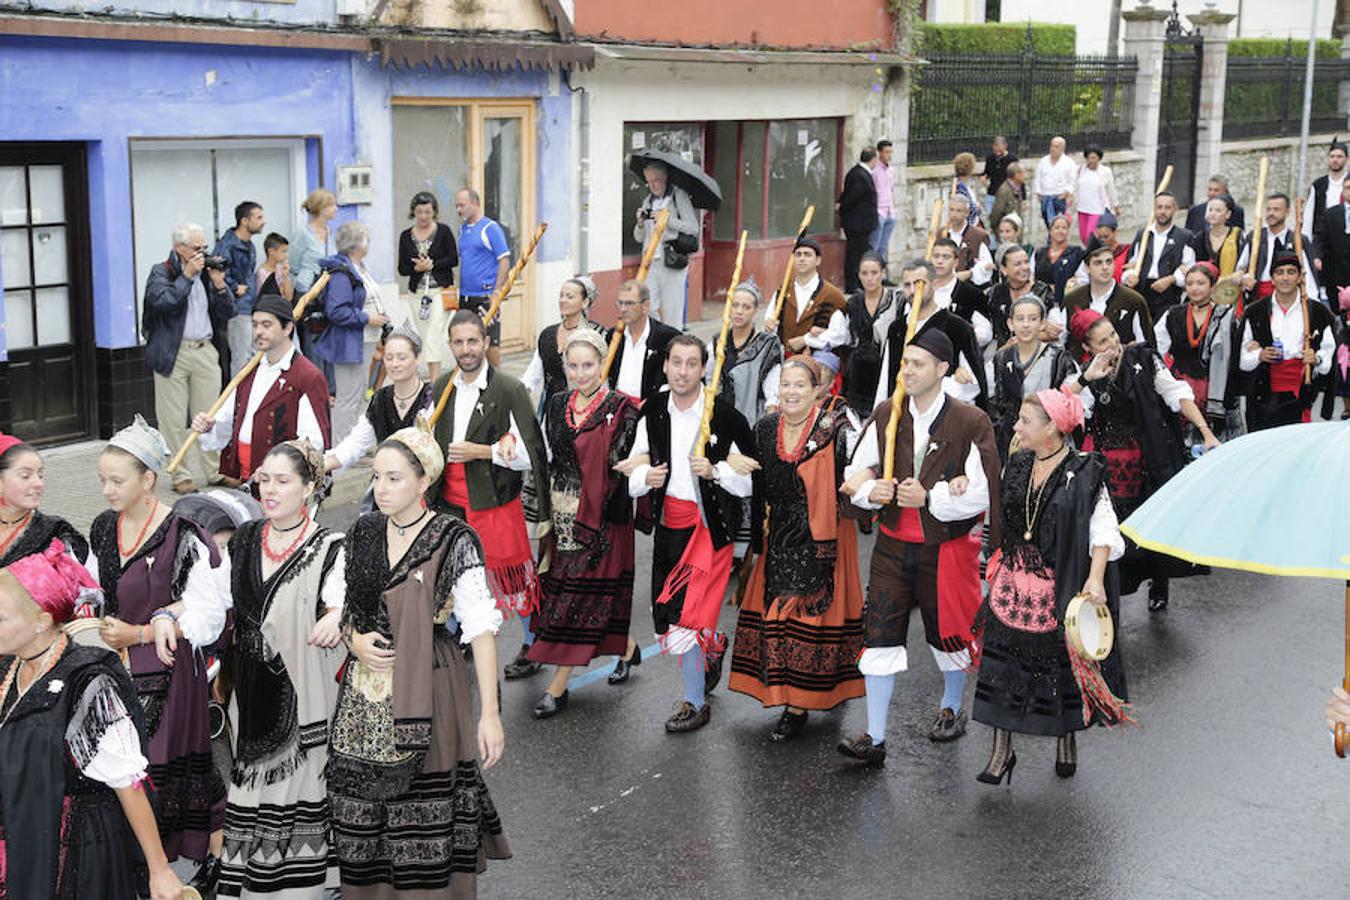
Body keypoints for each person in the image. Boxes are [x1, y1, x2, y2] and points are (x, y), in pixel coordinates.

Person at [328, 428, 509, 897]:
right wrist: (354, 641)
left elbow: (482, 630)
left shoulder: (453, 538)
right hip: (364, 698)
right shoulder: (365, 531)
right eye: (376, 477)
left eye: (393, 478)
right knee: (365, 822)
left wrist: (489, 715)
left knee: (423, 817)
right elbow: (340, 606)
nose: (381, 489)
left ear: (423, 480)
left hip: (429, 685)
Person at [837, 330, 1001, 763]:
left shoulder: (970, 421)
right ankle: (874, 737)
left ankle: (950, 707)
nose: (907, 370)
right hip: (891, 546)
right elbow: (856, 470)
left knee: (946, 634)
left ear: (943, 370)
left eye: (918, 363)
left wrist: (931, 498)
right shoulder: (888, 412)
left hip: (944, 549)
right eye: (905, 362)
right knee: (879, 636)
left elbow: (985, 492)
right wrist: (870, 490)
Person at [88, 415, 232, 894]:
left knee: (158, 772)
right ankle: (151, 870)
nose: (107, 489)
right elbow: (96, 587)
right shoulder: (104, 529)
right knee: (127, 773)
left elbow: (209, 613)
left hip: (171, 676)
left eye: (117, 480)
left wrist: (143, 631)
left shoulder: (183, 535)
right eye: (103, 480)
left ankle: (203, 859)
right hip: (120, 672)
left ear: (148, 479)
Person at [0, 538, 186, 900]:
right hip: (23, 832)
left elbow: (129, 783)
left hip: (76, 850)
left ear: (41, 621)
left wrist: (159, 869)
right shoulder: (10, 665)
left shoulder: (88, 683)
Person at [971, 389, 1128, 785]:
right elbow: (1004, 515)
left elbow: (1104, 529)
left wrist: (1094, 580)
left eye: (1026, 421)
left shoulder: (1086, 471)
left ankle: (1065, 738)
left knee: (1054, 669)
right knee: (1001, 665)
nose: (1017, 427)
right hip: (1013, 582)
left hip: (1056, 584)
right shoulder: (1019, 462)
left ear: (1053, 429)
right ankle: (1000, 752)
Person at [216, 439, 346, 897]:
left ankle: (309, 883)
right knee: (251, 782)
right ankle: (257, 876)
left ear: (309, 488)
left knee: (303, 785)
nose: (268, 490)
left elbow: (339, 598)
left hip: (303, 692)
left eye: (282, 481)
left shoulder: (330, 546)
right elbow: (216, 602)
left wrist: (334, 616)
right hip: (251, 691)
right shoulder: (247, 537)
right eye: (263, 480)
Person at [620, 335, 758, 732]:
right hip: (670, 525)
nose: (682, 371)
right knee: (671, 617)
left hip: (710, 528)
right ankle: (712, 646)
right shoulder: (654, 411)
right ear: (665, 366)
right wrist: (646, 474)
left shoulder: (725, 417)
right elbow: (636, 462)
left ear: (703, 369)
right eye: (676, 362)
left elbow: (751, 479)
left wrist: (716, 471)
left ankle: (695, 701)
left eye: (691, 363)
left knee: (689, 619)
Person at [727, 358, 864, 741]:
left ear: (817, 389)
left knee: (815, 618)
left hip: (827, 535)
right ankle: (792, 700)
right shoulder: (766, 427)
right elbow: (749, 479)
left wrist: (861, 485)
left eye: (799, 385)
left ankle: (800, 704)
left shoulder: (837, 427)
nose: (790, 392)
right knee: (779, 617)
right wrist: (729, 463)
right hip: (783, 535)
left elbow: (860, 469)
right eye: (785, 384)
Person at [1066, 309, 1218, 612]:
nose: (1112, 343)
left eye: (1112, 334)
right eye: (1102, 341)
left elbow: (1176, 394)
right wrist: (1084, 379)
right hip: (1109, 465)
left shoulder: (1144, 357)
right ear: (1088, 348)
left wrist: (1205, 431)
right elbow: (1066, 410)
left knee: (1157, 523)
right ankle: (1111, 589)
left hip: (1152, 456)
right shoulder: (1085, 375)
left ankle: (1160, 581)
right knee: (1111, 528)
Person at [427, 310, 550, 675]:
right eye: (459, 342)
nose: (466, 349)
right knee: (449, 578)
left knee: (513, 579)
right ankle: (456, 640)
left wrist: (484, 451)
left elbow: (531, 455)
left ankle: (533, 644)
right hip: (449, 504)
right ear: (450, 345)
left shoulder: (509, 388)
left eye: (472, 341)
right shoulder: (442, 386)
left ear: (485, 343)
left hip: (495, 503)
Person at [527, 329, 642, 717]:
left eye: (588, 365)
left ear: (601, 364)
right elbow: (546, 456)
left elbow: (632, 460)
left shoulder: (623, 408)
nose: (580, 373)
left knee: (580, 598)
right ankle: (625, 647)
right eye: (573, 366)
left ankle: (557, 687)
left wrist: (636, 466)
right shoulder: (557, 402)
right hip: (564, 513)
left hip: (604, 516)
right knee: (571, 592)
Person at [191, 293, 332, 485]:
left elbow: (313, 443)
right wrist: (208, 426)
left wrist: (278, 471)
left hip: (284, 484)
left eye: (266, 325)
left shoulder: (308, 376)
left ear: (287, 328)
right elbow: (227, 423)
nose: (258, 331)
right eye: (255, 324)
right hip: (245, 479)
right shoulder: (248, 372)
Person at [143, 222, 236, 493]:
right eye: (196, 248)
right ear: (179, 248)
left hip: (205, 349)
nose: (202, 253)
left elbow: (228, 312)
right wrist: (186, 276)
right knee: (172, 419)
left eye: (204, 247)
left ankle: (215, 470)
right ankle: (180, 473)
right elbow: (163, 302)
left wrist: (219, 286)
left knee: (210, 415)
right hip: (174, 351)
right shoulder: (162, 272)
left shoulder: (207, 273)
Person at [1237, 250, 1337, 431]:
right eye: (1280, 272)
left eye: (1291, 272)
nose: (1285, 278)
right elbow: (1242, 358)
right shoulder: (1255, 312)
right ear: (1272, 278)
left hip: (1299, 391)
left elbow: (1328, 352)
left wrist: (1316, 358)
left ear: (1300, 277)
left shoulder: (1317, 312)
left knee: (1296, 443)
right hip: (1263, 392)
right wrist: (1260, 355)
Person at [873, 259, 986, 411]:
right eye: (907, 285)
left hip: (943, 417)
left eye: (919, 284)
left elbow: (972, 385)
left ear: (934, 284)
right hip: (903, 417)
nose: (913, 291)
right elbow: (885, 380)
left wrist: (938, 385)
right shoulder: (897, 328)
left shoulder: (958, 328)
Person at [324, 321, 433, 478]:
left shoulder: (431, 397)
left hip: (423, 485)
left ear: (417, 359)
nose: (394, 364)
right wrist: (321, 464)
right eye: (389, 358)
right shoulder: (380, 399)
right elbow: (355, 443)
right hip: (386, 483)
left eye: (402, 358)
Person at [317, 220, 391, 442]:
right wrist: (369, 317)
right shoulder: (342, 272)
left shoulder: (358, 268)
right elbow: (337, 311)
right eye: (366, 239)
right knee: (348, 398)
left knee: (359, 396)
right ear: (357, 244)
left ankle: (355, 445)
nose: (369, 243)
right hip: (350, 343)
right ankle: (340, 449)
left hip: (365, 341)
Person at [1154, 263, 1240, 444]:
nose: (1194, 288)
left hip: (1216, 387)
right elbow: (1157, 349)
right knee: (1183, 446)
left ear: (1213, 285)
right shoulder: (1173, 314)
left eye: (1201, 283)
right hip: (1182, 387)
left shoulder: (1225, 316)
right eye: (1190, 283)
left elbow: (1236, 352)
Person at [990, 295, 1078, 459]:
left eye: (1032, 319)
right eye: (1020, 319)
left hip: (1050, 441)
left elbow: (1073, 400)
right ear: (1010, 323)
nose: (1025, 325)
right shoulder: (1001, 358)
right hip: (1010, 442)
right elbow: (994, 403)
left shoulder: (1060, 359)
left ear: (1043, 323)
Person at [523, 278, 606, 427]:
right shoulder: (548, 335)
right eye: (561, 296)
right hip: (551, 410)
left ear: (585, 302)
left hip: (585, 411)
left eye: (570, 296)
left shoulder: (596, 335)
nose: (563, 300)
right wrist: (517, 396)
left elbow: (604, 378)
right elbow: (533, 374)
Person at [398, 191, 459, 380]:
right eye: (419, 212)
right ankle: (432, 378)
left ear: (434, 212)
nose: (423, 216)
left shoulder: (444, 231)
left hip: (440, 291)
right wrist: (417, 268)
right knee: (426, 336)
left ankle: (434, 381)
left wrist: (432, 265)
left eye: (427, 212)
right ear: (413, 213)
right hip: (417, 294)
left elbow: (453, 259)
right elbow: (402, 268)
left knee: (433, 333)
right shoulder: (406, 236)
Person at [708, 280, 783, 431]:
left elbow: (772, 391)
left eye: (746, 307)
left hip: (753, 419)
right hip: (722, 417)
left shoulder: (767, 345)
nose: (739, 311)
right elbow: (711, 382)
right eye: (735, 305)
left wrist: (769, 427)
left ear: (755, 310)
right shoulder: (719, 341)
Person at [632, 163, 700, 329]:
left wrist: (667, 220)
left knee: (672, 313)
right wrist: (640, 224)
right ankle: (657, 343)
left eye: (656, 180)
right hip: (649, 263)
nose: (653, 185)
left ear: (665, 178)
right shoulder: (648, 201)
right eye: (649, 181)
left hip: (671, 261)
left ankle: (674, 348)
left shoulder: (678, 196)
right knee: (648, 307)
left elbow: (693, 227)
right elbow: (639, 238)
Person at [1061, 243, 1153, 361]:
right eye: (1098, 263)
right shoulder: (1072, 300)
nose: (1105, 267)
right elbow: (1061, 340)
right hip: (1079, 371)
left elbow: (1146, 345)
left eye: (1109, 262)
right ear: (1087, 268)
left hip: (1122, 371)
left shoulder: (1133, 300)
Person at [765, 236, 849, 359]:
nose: (802, 258)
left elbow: (840, 335)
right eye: (798, 254)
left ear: (818, 260)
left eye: (807, 254)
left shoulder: (833, 296)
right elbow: (770, 323)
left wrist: (806, 340)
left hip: (818, 364)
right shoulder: (782, 291)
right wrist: (769, 326)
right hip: (785, 361)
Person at [290, 189, 338, 394]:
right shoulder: (303, 234)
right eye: (331, 205)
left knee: (330, 341)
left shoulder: (331, 233)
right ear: (322, 209)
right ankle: (314, 389)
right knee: (313, 343)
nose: (336, 209)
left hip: (329, 294)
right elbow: (293, 264)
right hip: (309, 295)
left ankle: (330, 390)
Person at [1122, 191, 1196, 322]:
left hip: (1169, 294)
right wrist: (1130, 276)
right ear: (1154, 209)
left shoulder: (1184, 237)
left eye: (1167, 207)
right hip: (1142, 290)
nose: (1163, 211)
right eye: (1159, 207)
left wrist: (1172, 279)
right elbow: (1130, 263)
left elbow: (1189, 268)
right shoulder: (1143, 235)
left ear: (1175, 210)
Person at [843, 252, 901, 417]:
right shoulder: (853, 302)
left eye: (874, 273)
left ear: (883, 273)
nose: (870, 278)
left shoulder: (896, 301)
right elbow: (845, 336)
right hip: (858, 372)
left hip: (886, 368)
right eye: (865, 273)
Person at [607, 278, 681, 404]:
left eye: (629, 303)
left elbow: (679, 378)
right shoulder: (613, 336)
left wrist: (652, 402)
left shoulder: (668, 338)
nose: (623, 309)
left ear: (645, 306)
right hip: (618, 408)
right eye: (620, 303)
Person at [214, 201, 265, 376]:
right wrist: (235, 287)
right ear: (245, 221)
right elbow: (216, 272)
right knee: (241, 357)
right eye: (258, 217)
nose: (263, 221)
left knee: (252, 355)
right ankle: (239, 400)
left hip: (250, 307)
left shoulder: (249, 245)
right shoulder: (228, 245)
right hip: (236, 309)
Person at [1239, 192, 1318, 305]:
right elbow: (1240, 267)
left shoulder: (1298, 240)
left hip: (1288, 296)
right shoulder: (1255, 237)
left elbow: (1308, 276)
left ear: (1287, 212)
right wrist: (1244, 278)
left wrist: (1311, 301)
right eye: (1268, 209)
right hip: (1257, 297)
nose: (1271, 213)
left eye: (1276, 209)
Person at [928, 237, 994, 350]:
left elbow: (985, 333)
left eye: (946, 257)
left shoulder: (971, 294)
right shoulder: (921, 291)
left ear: (956, 262)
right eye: (936, 256)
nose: (940, 261)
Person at [987, 244, 1055, 349]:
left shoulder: (1042, 291)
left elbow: (1053, 334)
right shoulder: (995, 292)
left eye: (1026, 262)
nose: (1024, 267)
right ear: (1004, 269)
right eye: (1018, 264)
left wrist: (1020, 340)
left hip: (1036, 352)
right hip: (1002, 353)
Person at [1189, 194, 1248, 307]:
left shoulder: (1237, 236)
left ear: (1228, 214)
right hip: (1204, 294)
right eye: (1210, 210)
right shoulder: (1200, 237)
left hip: (1230, 291)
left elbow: (1244, 265)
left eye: (1218, 210)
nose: (1213, 213)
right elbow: (1191, 264)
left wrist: (1234, 276)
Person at [838, 148, 879, 294]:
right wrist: (842, 209)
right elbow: (851, 198)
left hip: (862, 223)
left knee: (861, 253)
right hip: (857, 223)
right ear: (873, 159)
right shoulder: (858, 175)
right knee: (854, 254)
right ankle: (852, 284)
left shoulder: (861, 173)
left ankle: (859, 283)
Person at [1302, 137, 1349, 245]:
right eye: (1332, 156)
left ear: (1346, 159)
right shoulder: (1318, 185)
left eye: (1339, 156)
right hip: (1323, 241)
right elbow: (1308, 216)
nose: (1335, 160)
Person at [1033, 214, 1086, 308]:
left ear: (1068, 231)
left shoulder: (1077, 253)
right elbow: (1031, 276)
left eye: (1064, 228)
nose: (1060, 231)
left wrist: (1071, 284)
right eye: (1057, 227)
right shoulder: (1039, 253)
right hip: (1041, 302)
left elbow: (1083, 279)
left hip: (1068, 302)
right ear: (1050, 230)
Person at [943, 194, 993, 286]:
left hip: (969, 287)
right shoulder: (941, 234)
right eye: (951, 210)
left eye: (958, 211)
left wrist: (970, 273)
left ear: (967, 213)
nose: (954, 214)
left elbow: (987, 264)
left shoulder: (978, 235)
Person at [1072, 145, 1118, 245]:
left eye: (1094, 158)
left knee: (1091, 235)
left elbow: (1111, 190)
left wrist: (1116, 205)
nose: (1091, 161)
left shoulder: (1105, 172)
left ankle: (1093, 254)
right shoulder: (1080, 170)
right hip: (1083, 208)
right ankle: (1090, 252)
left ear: (1099, 158)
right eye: (1089, 158)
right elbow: (1074, 185)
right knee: (1083, 237)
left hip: (1097, 209)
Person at [1034, 137, 1077, 226]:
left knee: (1057, 224)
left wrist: (1067, 193)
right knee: (1048, 224)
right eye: (1052, 146)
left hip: (1059, 198)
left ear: (1062, 148)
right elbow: (1038, 177)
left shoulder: (1069, 163)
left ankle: (1052, 240)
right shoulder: (1043, 161)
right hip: (1045, 197)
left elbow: (1072, 180)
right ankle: (1052, 239)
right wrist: (1038, 192)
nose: (1053, 149)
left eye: (1056, 147)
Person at [870, 140, 897, 262]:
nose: (889, 155)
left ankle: (880, 272)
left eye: (891, 152)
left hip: (889, 212)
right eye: (886, 152)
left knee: (884, 246)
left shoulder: (891, 170)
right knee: (873, 246)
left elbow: (890, 189)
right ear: (879, 153)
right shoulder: (874, 170)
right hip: (878, 211)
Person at [981, 135, 1018, 221]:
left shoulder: (1012, 159)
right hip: (992, 193)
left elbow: (1018, 178)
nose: (997, 151)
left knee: (1004, 221)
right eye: (995, 147)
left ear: (1005, 146)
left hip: (1006, 195)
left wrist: (1023, 198)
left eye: (999, 148)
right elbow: (987, 172)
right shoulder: (990, 158)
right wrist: (983, 177)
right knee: (992, 220)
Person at [990, 163, 1028, 237]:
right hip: (1007, 234)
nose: (1025, 175)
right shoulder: (1004, 191)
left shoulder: (1017, 188)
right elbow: (996, 212)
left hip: (1015, 233)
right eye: (1024, 172)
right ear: (1016, 175)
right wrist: (997, 230)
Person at [255, 232, 294, 303]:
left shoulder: (281, 268)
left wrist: (285, 276)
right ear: (271, 251)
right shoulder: (262, 273)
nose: (286, 255)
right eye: (283, 251)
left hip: (283, 306)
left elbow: (289, 297)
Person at [952, 152, 982, 228]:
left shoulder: (961, 184)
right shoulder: (960, 186)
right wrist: (977, 207)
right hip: (966, 227)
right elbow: (966, 208)